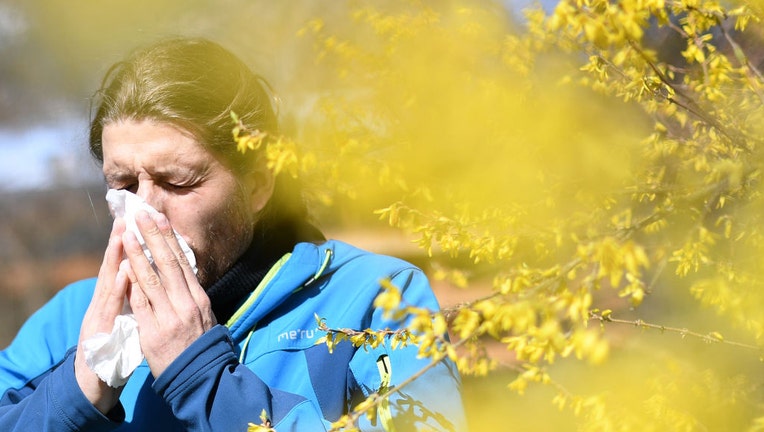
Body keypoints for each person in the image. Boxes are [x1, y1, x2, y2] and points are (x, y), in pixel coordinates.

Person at [0, 37, 465, 431]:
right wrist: (76, 391)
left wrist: (204, 379)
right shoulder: (74, 319)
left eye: (177, 182)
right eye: (122, 185)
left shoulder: (375, 299)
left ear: (258, 185)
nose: (144, 211)